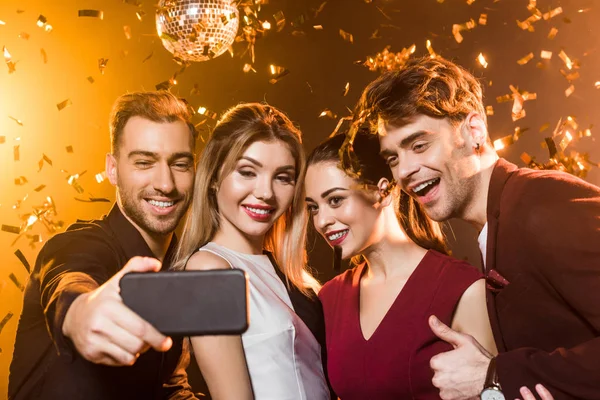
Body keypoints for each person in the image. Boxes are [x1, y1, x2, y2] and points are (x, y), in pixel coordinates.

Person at [359, 56, 600, 400]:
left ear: (474, 130)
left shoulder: (541, 203)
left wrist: (495, 375)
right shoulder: (503, 219)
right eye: (393, 158)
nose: (404, 172)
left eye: (419, 145)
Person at [9, 91, 199, 400]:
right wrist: (81, 314)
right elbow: (69, 279)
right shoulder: (78, 244)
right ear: (112, 169)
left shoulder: (182, 266)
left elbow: (167, 387)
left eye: (179, 164)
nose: (165, 183)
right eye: (144, 162)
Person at [304, 131, 497, 399]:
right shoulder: (330, 298)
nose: (322, 220)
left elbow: (493, 390)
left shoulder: (462, 288)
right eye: (313, 207)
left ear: (383, 192)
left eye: (335, 200)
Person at [173, 103, 331, 400]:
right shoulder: (208, 271)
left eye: (283, 177)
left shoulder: (292, 277)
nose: (266, 192)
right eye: (247, 172)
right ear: (215, 176)